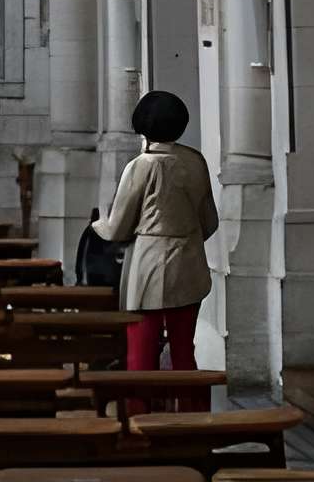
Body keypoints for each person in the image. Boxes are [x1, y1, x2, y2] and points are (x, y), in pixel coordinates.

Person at [92, 89, 219, 407]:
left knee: (141, 355)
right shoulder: (195, 161)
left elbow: (118, 228)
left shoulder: (141, 166)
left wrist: (97, 225)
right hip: (189, 264)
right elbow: (209, 221)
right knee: (184, 352)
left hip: (148, 266)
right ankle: (194, 420)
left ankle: (139, 421)